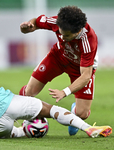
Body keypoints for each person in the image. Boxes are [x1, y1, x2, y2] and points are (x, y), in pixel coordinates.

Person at [19, 6, 99, 135]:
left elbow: (85, 76)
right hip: (58, 57)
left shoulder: (88, 41)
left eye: (66, 35)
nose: (62, 37)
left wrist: (65, 92)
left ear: (78, 31)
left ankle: (74, 112)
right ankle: (22, 116)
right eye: (60, 33)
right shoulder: (57, 22)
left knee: (82, 114)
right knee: (29, 91)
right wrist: (27, 28)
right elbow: (35, 23)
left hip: (79, 69)